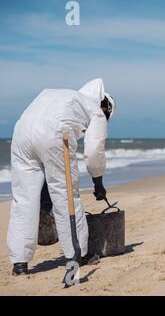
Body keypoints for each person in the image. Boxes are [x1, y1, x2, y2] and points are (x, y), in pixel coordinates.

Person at [7, 78, 116, 276]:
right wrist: (98, 181)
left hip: (20, 133)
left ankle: (19, 263)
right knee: (66, 195)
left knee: (23, 199)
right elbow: (94, 153)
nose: (106, 117)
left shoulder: (61, 96)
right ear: (105, 104)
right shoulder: (96, 110)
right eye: (108, 113)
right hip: (54, 134)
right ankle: (77, 255)